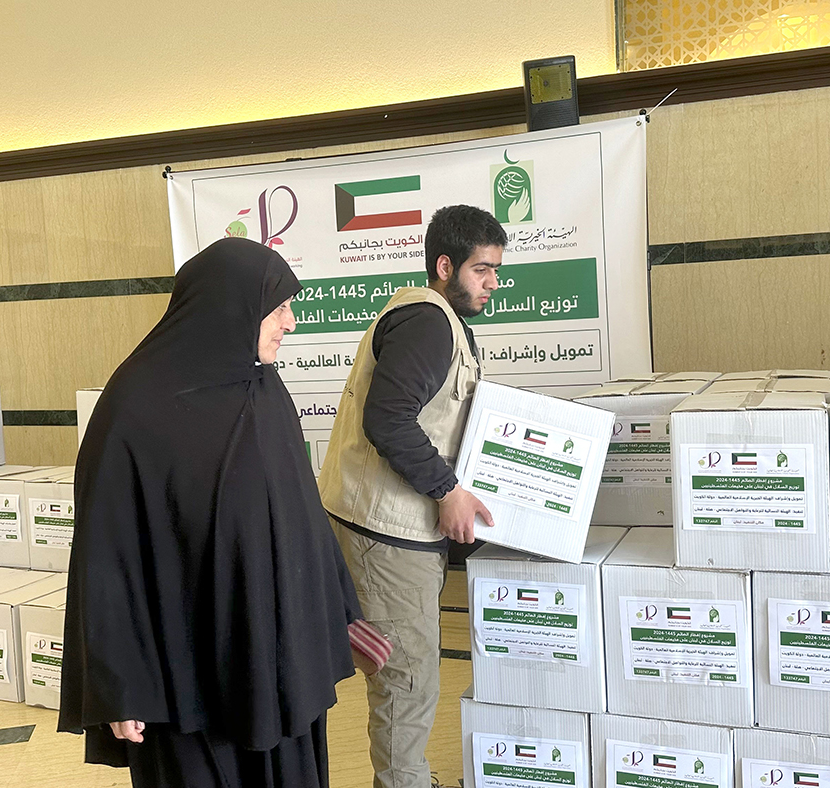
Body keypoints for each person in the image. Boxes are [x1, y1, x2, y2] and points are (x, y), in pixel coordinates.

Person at [59, 237, 364, 788]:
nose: (290, 323)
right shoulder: (134, 407)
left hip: (278, 660)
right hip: (186, 679)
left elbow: (303, 514)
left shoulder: (265, 390)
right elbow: (106, 558)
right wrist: (121, 686)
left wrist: (340, 609)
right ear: (233, 305)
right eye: (278, 308)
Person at [318, 204, 506, 788]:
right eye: (481, 270)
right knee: (407, 680)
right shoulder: (428, 322)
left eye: (496, 271)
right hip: (386, 536)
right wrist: (447, 490)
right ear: (445, 266)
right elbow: (389, 419)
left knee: (407, 670)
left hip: (394, 530)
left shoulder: (437, 321)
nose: (492, 283)